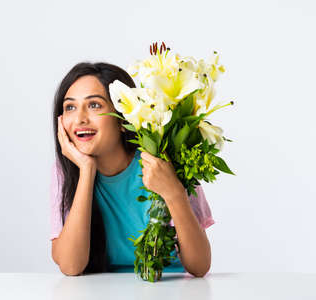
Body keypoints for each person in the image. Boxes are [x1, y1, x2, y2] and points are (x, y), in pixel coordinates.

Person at [50, 62, 215, 277]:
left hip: (169, 288)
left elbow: (199, 266)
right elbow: (71, 267)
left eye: (94, 105)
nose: (80, 118)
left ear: (123, 118)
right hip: (102, 291)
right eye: (70, 107)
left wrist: (174, 192)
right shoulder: (68, 170)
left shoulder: (162, 161)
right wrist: (87, 171)